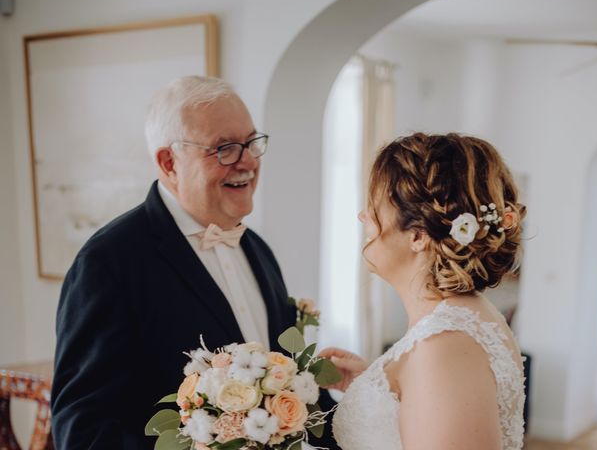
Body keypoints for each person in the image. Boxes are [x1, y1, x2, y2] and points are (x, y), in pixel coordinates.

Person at [51, 76, 337, 449]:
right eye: (225, 148)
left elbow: (294, 388)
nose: (248, 161)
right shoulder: (108, 263)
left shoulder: (258, 250)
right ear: (169, 162)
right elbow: (81, 429)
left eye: (251, 142)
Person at [322, 133, 527, 450]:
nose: (363, 215)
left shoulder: (443, 347)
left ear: (418, 234)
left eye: (374, 205)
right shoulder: (460, 320)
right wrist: (379, 388)